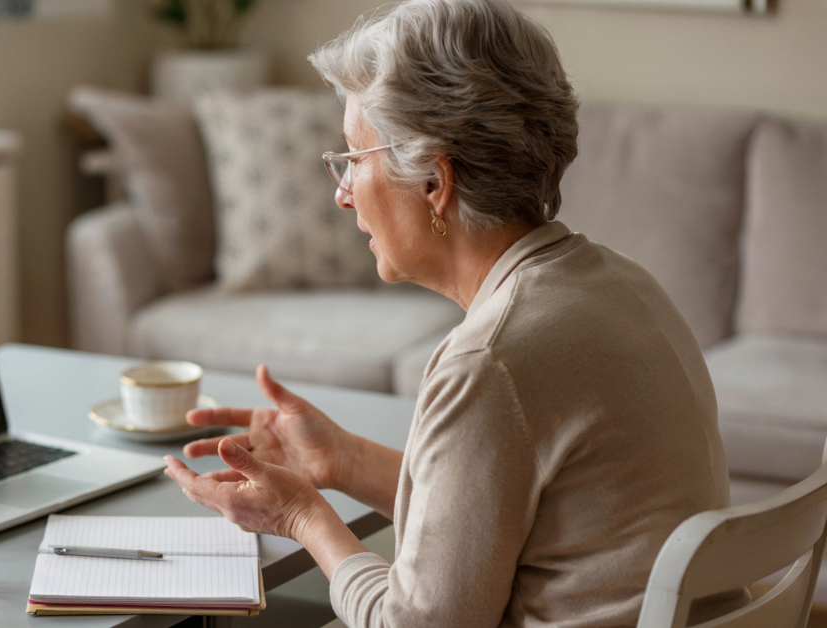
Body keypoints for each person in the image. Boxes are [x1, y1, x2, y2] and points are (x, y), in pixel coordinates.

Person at [162, 1, 743, 626]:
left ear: (435, 183)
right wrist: (344, 461)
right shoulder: (624, 284)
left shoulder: (491, 361)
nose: (341, 192)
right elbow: (501, 517)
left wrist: (302, 517)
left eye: (354, 159)